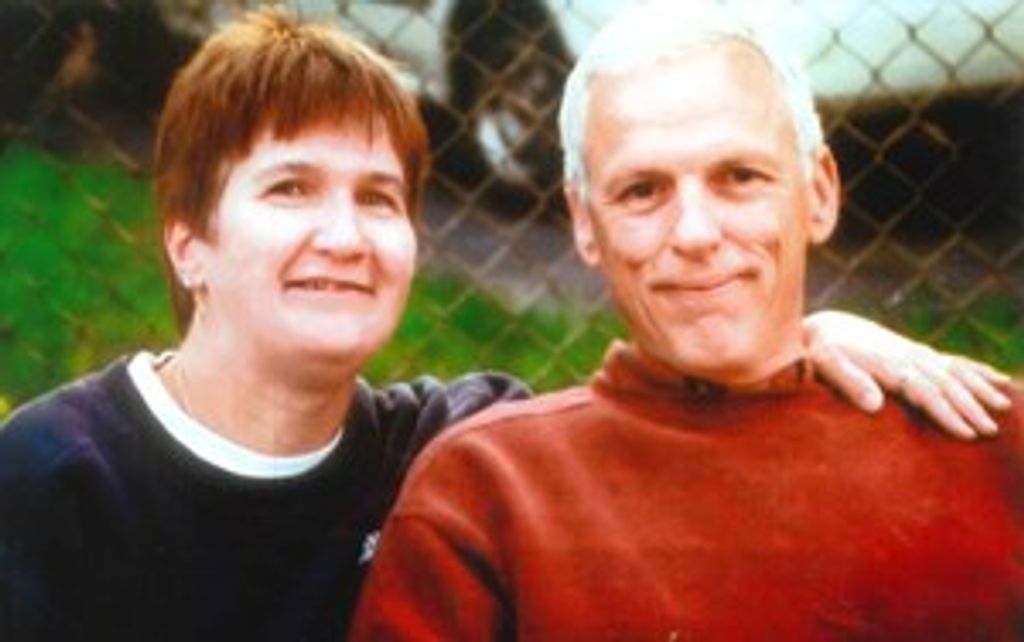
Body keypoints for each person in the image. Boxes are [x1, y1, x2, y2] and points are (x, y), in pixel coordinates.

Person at [0, 8, 1008, 642]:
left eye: (378, 198)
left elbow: (661, 427)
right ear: (188, 244)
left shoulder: (442, 444)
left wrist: (810, 339)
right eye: (290, 189)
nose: (342, 237)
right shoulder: (59, 474)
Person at [349, 3, 1024, 640]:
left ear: (819, 192)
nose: (696, 233)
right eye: (642, 191)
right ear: (585, 223)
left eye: (740, 177)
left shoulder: (986, 441)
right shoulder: (489, 495)